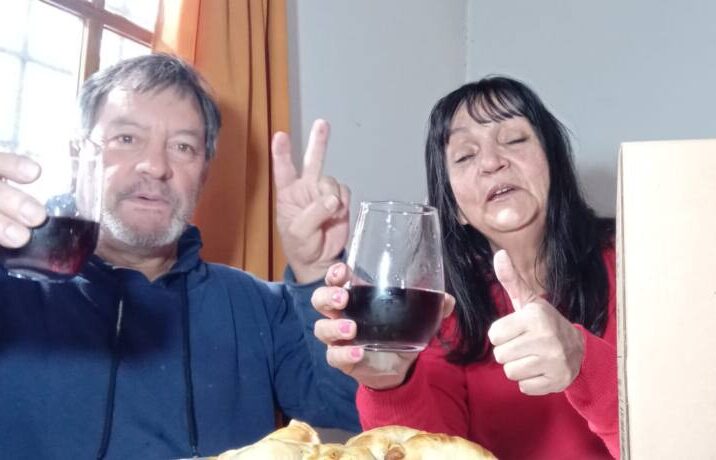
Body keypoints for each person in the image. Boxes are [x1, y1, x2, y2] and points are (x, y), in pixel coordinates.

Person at [0, 54, 358, 459]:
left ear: (203, 174)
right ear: (78, 154)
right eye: (126, 138)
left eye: (183, 147)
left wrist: (318, 270)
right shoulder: (13, 286)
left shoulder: (259, 307)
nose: (155, 166)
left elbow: (350, 409)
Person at [312, 76, 618, 459]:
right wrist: (390, 383)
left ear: (554, 163)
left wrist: (584, 363)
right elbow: (435, 452)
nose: (491, 162)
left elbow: (678, 434)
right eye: (465, 156)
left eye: (514, 139)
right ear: (455, 207)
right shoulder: (443, 310)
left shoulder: (636, 264)